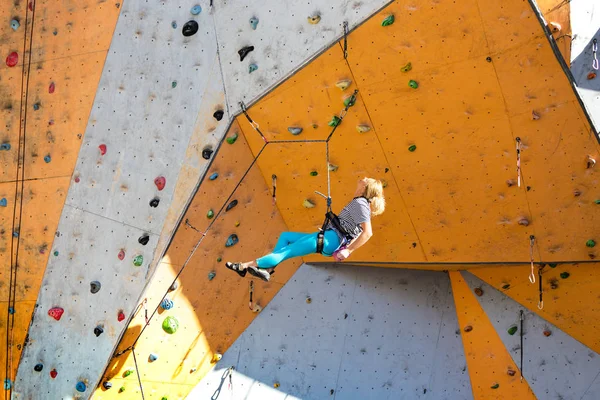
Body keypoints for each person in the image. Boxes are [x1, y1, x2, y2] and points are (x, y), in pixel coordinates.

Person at [225, 177, 385, 282]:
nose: (362, 178)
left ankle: (243, 266)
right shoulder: (359, 203)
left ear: (365, 187)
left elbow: (367, 233)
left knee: (285, 252)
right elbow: (348, 226)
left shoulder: (361, 204)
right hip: (330, 237)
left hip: (331, 240)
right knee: (286, 237)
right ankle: (269, 268)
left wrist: (348, 251)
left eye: (366, 179)